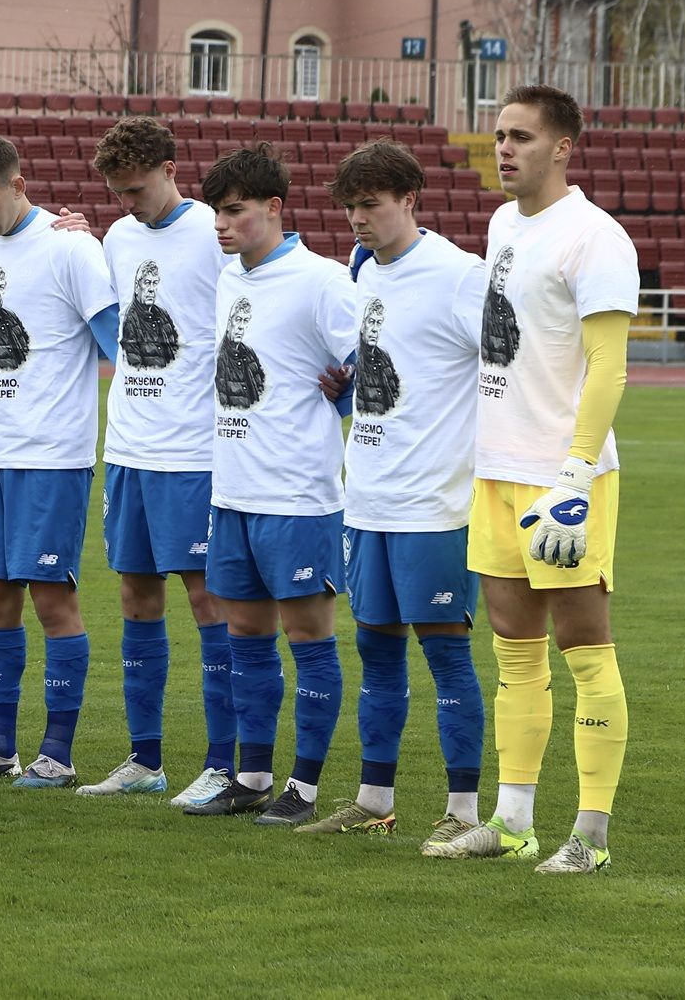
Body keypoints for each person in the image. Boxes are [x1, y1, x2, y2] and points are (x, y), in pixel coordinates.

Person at [429, 85, 638, 874]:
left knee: (586, 650)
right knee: (515, 655)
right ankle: (512, 820)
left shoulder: (595, 237)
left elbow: (609, 365)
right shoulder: (502, 223)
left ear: (564, 148)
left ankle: (590, 835)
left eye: (520, 137)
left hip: (563, 479)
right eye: (498, 136)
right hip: (498, 472)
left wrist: (577, 472)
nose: (504, 149)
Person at [293, 139, 489, 852]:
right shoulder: (359, 273)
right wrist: (349, 393)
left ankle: (464, 809)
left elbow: (506, 370)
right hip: (366, 496)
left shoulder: (461, 276)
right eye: (348, 207)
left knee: (446, 654)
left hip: (435, 502)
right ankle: (376, 799)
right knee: (375, 649)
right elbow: (384, 376)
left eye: (370, 205)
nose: (356, 219)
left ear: (410, 199)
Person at [0, 133, 119, 789]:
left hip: (54, 455)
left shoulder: (70, 246)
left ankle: (59, 753)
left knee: (52, 600)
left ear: (17, 182)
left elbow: (119, 341)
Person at [185, 143, 357, 825]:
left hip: (298, 495)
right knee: (244, 637)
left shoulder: (322, 281)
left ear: (275, 208)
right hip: (232, 493)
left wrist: (343, 395)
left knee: (309, 637)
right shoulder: (231, 278)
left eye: (235, 212)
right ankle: (252, 774)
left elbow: (373, 376)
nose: (222, 225)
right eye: (218, 213)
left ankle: (305, 787)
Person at [72, 118, 237, 804]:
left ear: (171, 168)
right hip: (129, 448)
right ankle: (145, 759)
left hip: (193, 449)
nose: (128, 203)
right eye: (116, 193)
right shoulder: (117, 235)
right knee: (136, 594)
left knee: (208, 598)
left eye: (136, 189)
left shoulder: (213, 234)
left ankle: (227, 762)